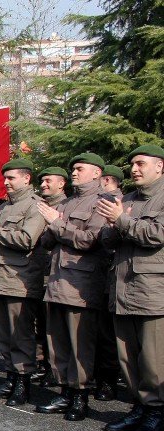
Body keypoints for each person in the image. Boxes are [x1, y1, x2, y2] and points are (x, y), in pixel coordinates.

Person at [96, 144, 164, 431]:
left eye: (141, 163)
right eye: (132, 164)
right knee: (128, 356)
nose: (134, 169)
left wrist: (121, 219)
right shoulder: (128, 199)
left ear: (160, 166)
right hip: (122, 288)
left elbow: (156, 234)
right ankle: (139, 406)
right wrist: (112, 224)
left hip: (152, 291)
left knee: (153, 358)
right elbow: (107, 241)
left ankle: (157, 410)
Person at [34, 154, 108, 421]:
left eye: (79, 168)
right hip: (56, 281)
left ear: (96, 173)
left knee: (80, 344)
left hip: (80, 284)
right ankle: (65, 390)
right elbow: (45, 242)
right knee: (58, 342)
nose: (74, 172)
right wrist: (53, 225)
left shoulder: (102, 202)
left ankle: (80, 396)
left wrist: (57, 223)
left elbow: (89, 240)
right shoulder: (66, 203)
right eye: (73, 168)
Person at [0, 159, 48, 406]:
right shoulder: (5, 207)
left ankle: (22, 383)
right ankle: (10, 378)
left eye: (11, 178)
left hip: (20, 280)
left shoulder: (36, 206)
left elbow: (27, 239)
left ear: (26, 179)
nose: (6, 182)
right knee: (4, 335)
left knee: (21, 335)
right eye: (4, 178)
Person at [93, 164, 126, 400]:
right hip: (103, 276)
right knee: (103, 332)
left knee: (111, 336)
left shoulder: (119, 203)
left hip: (115, 275)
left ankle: (109, 381)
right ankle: (104, 379)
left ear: (106, 180)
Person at [34, 167, 69, 386]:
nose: (43, 185)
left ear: (61, 183)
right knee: (39, 324)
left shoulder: (66, 205)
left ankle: (54, 369)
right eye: (42, 181)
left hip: (57, 274)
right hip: (37, 271)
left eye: (48, 181)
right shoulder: (40, 206)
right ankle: (43, 364)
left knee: (53, 327)